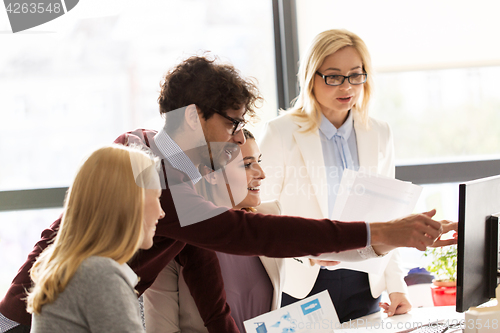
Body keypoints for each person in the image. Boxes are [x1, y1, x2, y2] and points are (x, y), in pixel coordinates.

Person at [0, 55, 455, 333]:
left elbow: (199, 260)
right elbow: (255, 233)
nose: (240, 138)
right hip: (29, 318)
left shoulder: (180, 170)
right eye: (233, 123)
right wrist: (380, 231)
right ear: (196, 117)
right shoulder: (150, 170)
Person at [259, 29, 444, 322]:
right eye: (333, 76)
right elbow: (260, 217)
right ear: (311, 76)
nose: (347, 87)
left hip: (365, 281)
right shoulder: (281, 132)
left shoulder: (379, 132)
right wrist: (306, 251)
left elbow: (390, 216)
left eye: (356, 75)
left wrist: (397, 286)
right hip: (303, 282)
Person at [144, 129, 286, 333]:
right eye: (247, 165)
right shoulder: (176, 238)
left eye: (259, 161)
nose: (261, 174)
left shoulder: (270, 218)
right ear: (210, 174)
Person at [27, 145, 164, 332]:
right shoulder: (99, 275)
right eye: (156, 197)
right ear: (128, 202)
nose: (161, 212)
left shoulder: (75, 269)